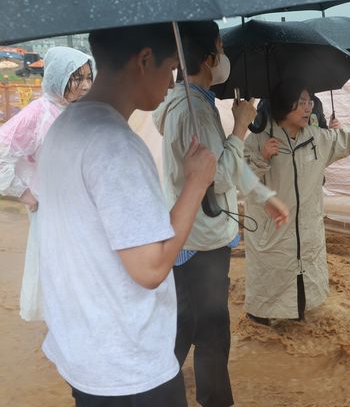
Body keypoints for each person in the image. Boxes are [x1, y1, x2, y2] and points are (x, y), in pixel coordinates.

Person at [36, 23, 217, 406]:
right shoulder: (115, 145)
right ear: (145, 60)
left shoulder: (66, 126)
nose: (172, 83)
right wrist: (197, 184)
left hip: (85, 351)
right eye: (171, 68)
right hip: (129, 367)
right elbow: (150, 268)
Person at [152, 21, 289, 407]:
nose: (224, 57)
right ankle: (174, 395)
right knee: (207, 331)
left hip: (195, 235)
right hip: (201, 241)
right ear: (208, 59)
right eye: (220, 49)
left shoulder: (191, 103)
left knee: (190, 324)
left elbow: (225, 165)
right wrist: (241, 126)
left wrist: (263, 194)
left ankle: (155, 391)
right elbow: (221, 174)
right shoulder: (194, 110)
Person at [244, 79, 350, 324]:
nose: (308, 108)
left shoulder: (316, 138)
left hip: (306, 223)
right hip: (272, 226)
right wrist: (262, 158)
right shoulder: (259, 139)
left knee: (304, 267)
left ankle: (298, 310)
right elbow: (241, 179)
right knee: (272, 273)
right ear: (285, 105)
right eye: (301, 103)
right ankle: (261, 314)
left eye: (310, 102)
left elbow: (347, 137)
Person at [0, 46, 93, 321]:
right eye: (77, 77)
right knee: (59, 276)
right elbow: (2, 150)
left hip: (81, 208)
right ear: (58, 77)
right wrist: (24, 192)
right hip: (53, 210)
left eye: (89, 77)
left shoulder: (78, 110)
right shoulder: (38, 113)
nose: (85, 85)